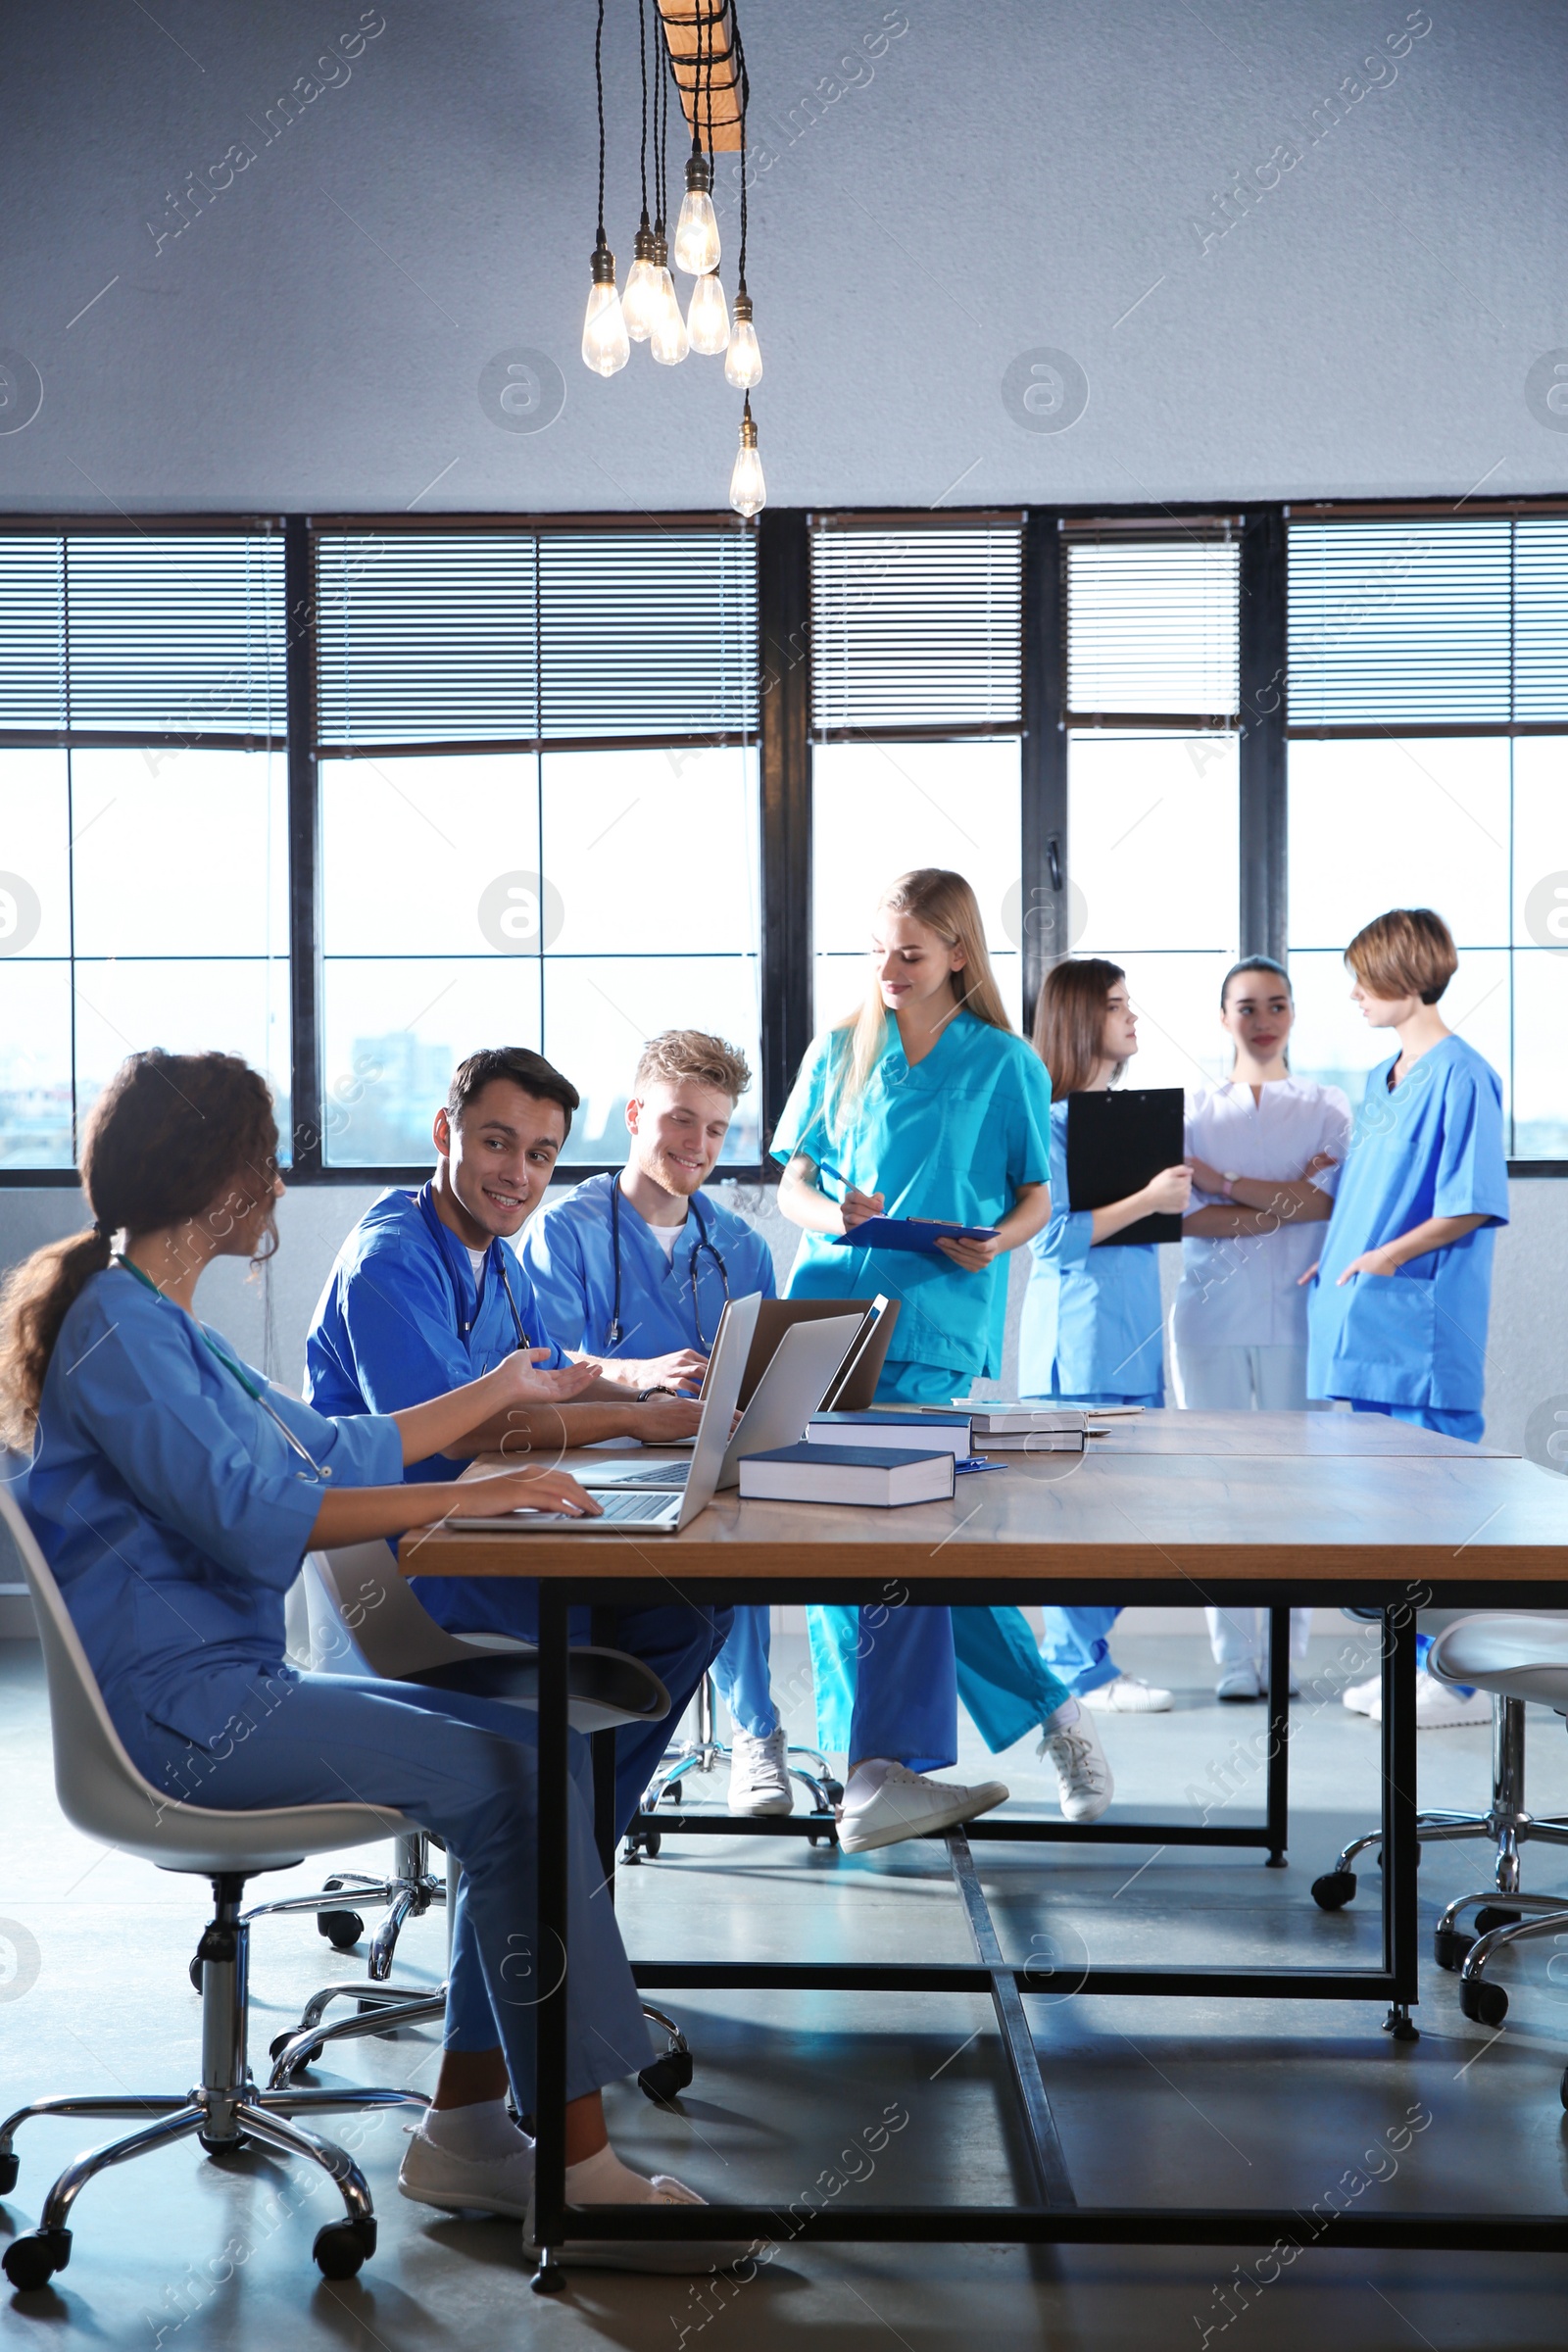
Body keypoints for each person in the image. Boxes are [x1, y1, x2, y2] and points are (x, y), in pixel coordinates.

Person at [1, 1050, 744, 2269]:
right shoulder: (118, 1329)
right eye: (266, 1159)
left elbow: (340, 1443)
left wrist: (498, 1396)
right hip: (189, 1717)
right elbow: (257, 1513)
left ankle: (467, 2128)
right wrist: (480, 1488)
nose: (281, 1181)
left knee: (534, 1748)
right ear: (225, 1182)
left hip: (232, 1689)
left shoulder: (150, 1316)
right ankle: (578, 2166)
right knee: (519, 1783)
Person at [305, 1045, 730, 1837]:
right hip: (416, 1554)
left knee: (694, 1607)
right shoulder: (390, 1261)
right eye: (497, 1143)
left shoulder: (499, 1261)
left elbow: (552, 1374)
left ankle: (564, 1842)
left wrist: (651, 1388)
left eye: (540, 1155)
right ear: (446, 1132)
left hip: (486, 1524)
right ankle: (553, 1852)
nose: (518, 1175)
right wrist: (637, 1418)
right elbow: (463, 1427)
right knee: (664, 1610)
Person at [773, 868, 1113, 1838]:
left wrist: (994, 1241)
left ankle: (1035, 1721)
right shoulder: (839, 1049)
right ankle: (877, 1772)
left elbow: (1032, 1197)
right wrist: (829, 1213)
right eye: (878, 949)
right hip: (825, 1314)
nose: (888, 968)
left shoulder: (1004, 1062)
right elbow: (792, 1180)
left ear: (958, 954)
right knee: (841, 1548)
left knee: (918, 1548)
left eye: (910, 953)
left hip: (935, 1321)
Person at [522, 1029, 791, 1818]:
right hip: (593, 1465)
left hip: (708, 1465)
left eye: (715, 1129)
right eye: (680, 1119)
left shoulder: (739, 1245)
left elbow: (766, 1366)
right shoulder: (564, 1231)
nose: (697, 1145)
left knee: (735, 1543)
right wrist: (638, 1382)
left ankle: (756, 1732)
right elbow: (549, 1363)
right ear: (637, 1113)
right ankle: (606, 1769)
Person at [1304, 908, 1509, 1730]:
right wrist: (1342, 1250)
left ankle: (1458, 1683)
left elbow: (1470, 1202)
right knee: (1382, 1513)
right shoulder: (1381, 1078)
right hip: (1360, 1320)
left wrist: (1385, 1257)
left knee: (1439, 1514)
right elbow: (1364, 1193)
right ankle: (1419, 1666)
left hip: (1419, 1328)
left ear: (1407, 975)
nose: (1354, 993)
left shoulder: (1463, 1074)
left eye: (1365, 976)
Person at [1174, 956, 1351, 1700]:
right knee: (1217, 1488)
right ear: (1223, 1019)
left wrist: (1222, 1184)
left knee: (1293, 1489)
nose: (1263, 1018)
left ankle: (1284, 1654)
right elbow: (1182, 1214)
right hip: (1209, 1315)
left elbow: (1324, 1208)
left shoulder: (1329, 1107)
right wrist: (1279, 1197)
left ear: (1292, 1014)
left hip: (1297, 1314)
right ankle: (1234, 1662)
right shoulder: (1189, 1110)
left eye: (1277, 1004)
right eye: (1246, 1006)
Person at [1021, 958, 1192, 1716]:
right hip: (1077, 1351)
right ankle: (1074, 1670)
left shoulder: (1130, 1121)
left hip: (1130, 1343)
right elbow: (1051, 1240)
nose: (1133, 1020)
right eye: (1118, 1006)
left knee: (1130, 1519)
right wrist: (1148, 1198)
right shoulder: (1047, 1124)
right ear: (1081, 1019)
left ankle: (1082, 1659)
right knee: (1082, 1521)